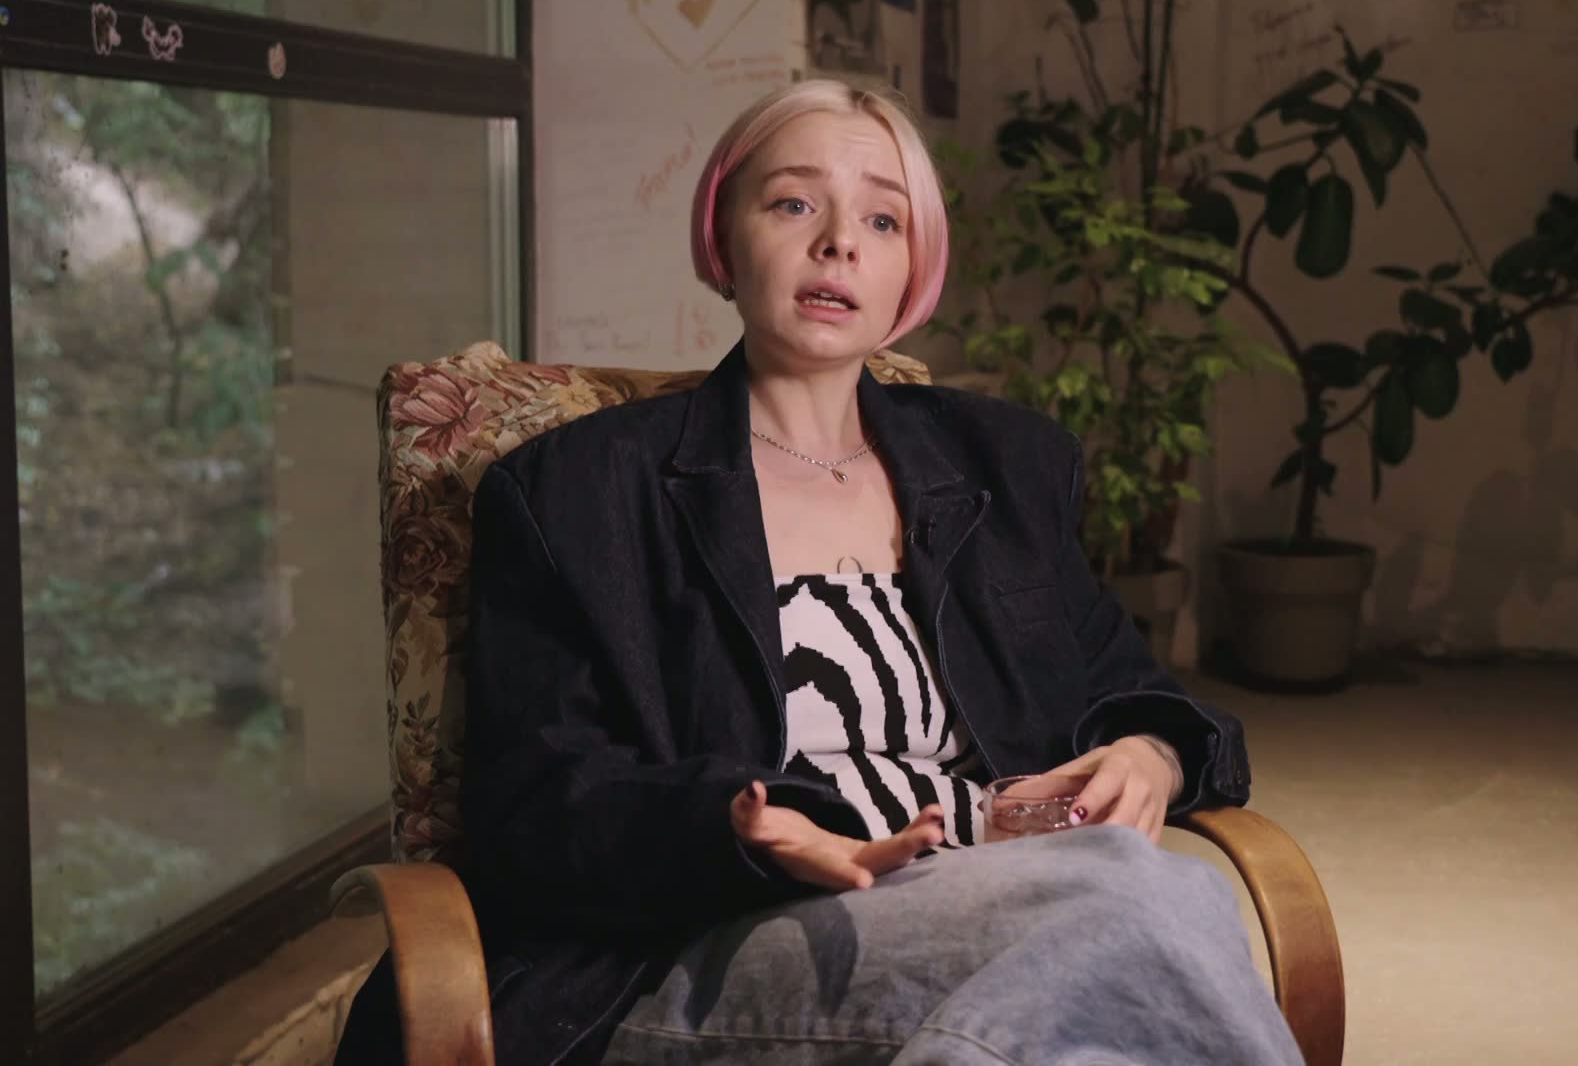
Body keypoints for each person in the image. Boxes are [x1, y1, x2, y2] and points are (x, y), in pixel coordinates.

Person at [336, 79, 1303, 1066]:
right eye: (794, 202)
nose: (839, 242)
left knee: (1096, 997)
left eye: (883, 219)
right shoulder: (580, 489)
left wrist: (1153, 755)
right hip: (707, 941)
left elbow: (1135, 689)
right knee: (1144, 899)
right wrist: (734, 830)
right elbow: (535, 804)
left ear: (914, 266)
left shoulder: (1004, 467)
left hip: (1010, 909)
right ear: (725, 235)